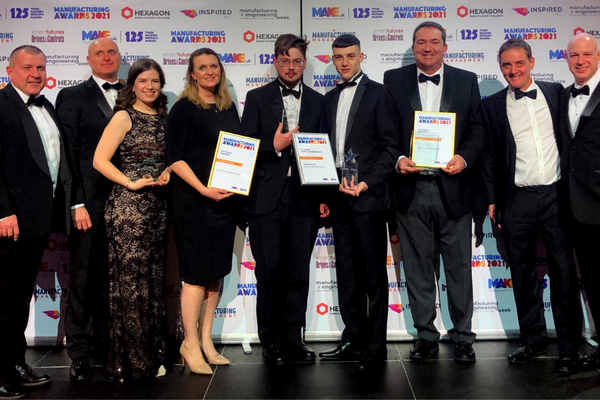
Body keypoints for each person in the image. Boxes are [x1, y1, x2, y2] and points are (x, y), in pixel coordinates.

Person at [383, 21, 485, 363]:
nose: (427, 48)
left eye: (434, 42)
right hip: (411, 188)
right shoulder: (393, 80)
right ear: (412, 47)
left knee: (458, 267)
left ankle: (463, 336)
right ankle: (425, 334)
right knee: (417, 267)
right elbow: (386, 131)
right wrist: (398, 159)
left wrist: (463, 157)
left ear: (445, 47)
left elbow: (477, 129)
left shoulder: (466, 80)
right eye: (420, 42)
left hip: (453, 189)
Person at [481, 38, 582, 374]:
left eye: (519, 63)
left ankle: (570, 346)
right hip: (516, 200)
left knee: (564, 274)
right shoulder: (492, 105)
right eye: (506, 65)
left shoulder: (557, 93)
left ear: (532, 62)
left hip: (556, 197)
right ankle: (533, 340)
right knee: (522, 275)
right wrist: (492, 199)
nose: (513, 70)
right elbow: (491, 157)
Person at [241, 34, 324, 365]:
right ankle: (271, 341)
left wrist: (324, 196)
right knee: (270, 271)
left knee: (297, 272)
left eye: (297, 61)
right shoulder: (257, 97)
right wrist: (273, 145)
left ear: (305, 63)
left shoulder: (319, 100)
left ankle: (294, 338)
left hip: (305, 198)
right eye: (285, 60)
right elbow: (245, 145)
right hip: (266, 198)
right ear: (275, 61)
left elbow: (326, 148)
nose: (291, 66)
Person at [319, 34, 399, 371]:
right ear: (333, 60)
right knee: (347, 273)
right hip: (338, 198)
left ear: (362, 56)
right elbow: (322, 151)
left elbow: (390, 148)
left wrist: (366, 183)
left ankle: (376, 345)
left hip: (367, 197)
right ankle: (352, 337)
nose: (345, 62)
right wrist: (325, 193)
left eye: (351, 56)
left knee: (372, 275)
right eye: (339, 57)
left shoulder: (380, 93)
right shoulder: (328, 98)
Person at [0, 45, 72, 399]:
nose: (36, 73)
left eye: (41, 67)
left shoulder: (46, 106)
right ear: (9, 70)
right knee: (2, 299)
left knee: (18, 299)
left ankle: (14, 365)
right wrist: (2, 210)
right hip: (8, 222)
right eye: (27, 67)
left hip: (36, 221)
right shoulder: (1, 105)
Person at [93, 58, 170, 381]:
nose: (149, 87)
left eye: (155, 81)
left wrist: (166, 172)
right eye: (143, 82)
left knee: (151, 284)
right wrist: (128, 182)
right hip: (128, 209)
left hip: (157, 209)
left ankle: (152, 355)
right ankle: (131, 360)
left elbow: (171, 159)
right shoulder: (124, 116)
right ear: (132, 85)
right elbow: (99, 160)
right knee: (130, 285)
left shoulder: (165, 118)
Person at [166, 48, 240, 375]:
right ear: (192, 74)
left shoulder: (227, 107)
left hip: (224, 201)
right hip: (194, 202)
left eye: (214, 66)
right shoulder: (182, 109)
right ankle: (189, 344)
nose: (209, 72)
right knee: (195, 277)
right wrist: (203, 189)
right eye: (202, 67)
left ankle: (207, 340)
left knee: (215, 274)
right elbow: (174, 157)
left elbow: (237, 152)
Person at [55, 37, 122, 381]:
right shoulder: (73, 96)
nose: (107, 57)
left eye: (112, 52)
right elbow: (69, 153)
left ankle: (108, 346)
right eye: (100, 53)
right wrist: (76, 202)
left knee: (115, 281)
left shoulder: (132, 92)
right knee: (83, 278)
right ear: (89, 59)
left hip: (128, 204)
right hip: (88, 204)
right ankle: (79, 352)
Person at [559, 33, 600, 371]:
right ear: (566, 57)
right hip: (575, 207)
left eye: (587, 54)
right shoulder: (561, 96)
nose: (581, 60)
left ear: (598, 56)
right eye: (575, 55)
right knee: (592, 282)